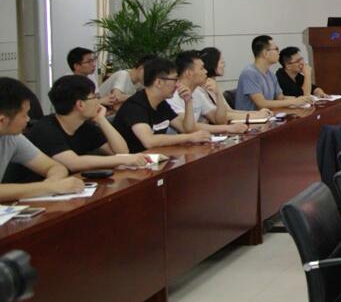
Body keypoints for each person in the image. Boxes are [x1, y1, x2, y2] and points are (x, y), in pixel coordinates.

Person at [5, 75, 150, 181]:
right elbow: (74, 163)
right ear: (80, 104)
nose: (99, 101)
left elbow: (122, 151)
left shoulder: (85, 126)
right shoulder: (45, 128)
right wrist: (123, 160)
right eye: (94, 97)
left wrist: (102, 120)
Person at [0, 77, 85, 200]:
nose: (28, 119)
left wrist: (51, 183)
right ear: (2, 120)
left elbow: (55, 167)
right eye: (24, 115)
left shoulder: (12, 138)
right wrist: (49, 187)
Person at [112, 57, 211, 152]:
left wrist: (188, 101)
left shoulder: (161, 104)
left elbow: (186, 128)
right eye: (175, 80)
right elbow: (149, 141)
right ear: (159, 82)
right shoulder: (135, 106)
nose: (177, 85)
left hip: (154, 157)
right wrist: (189, 138)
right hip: (131, 161)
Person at [167, 52, 248, 135]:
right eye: (202, 68)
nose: (206, 71)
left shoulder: (197, 92)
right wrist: (228, 128)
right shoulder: (172, 96)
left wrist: (218, 94)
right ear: (189, 73)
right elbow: (188, 127)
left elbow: (219, 120)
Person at [196, 47, 271, 125]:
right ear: (212, 63)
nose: (224, 64)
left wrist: (257, 113)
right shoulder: (201, 89)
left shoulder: (213, 84)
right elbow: (224, 116)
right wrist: (256, 116)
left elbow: (229, 111)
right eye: (221, 62)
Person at [234, 36, 310, 111]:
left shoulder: (271, 74)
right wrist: (293, 102)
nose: (278, 52)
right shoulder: (249, 73)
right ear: (265, 53)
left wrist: (300, 99)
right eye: (276, 49)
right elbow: (261, 104)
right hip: (251, 117)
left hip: (268, 115)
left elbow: (280, 98)